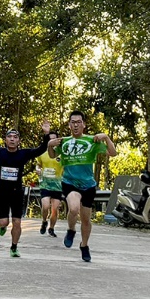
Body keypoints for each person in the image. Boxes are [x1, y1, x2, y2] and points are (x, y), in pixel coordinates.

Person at [0, 118, 52, 256]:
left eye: (15, 137)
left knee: (17, 222)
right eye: (9, 137)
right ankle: (1, 226)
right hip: (2, 192)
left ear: (19, 141)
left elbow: (41, 150)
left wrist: (46, 134)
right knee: (4, 222)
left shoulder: (23, 154)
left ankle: (14, 248)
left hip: (16, 193)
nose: (12, 139)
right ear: (5, 140)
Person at [47, 111, 117, 263]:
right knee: (73, 208)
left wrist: (105, 137)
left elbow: (113, 153)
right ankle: (71, 230)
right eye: (73, 122)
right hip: (69, 182)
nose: (76, 125)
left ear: (84, 124)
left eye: (79, 122)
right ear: (69, 125)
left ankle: (84, 245)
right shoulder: (64, 141)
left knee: (86, 220)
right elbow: (52, 155)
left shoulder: (93, 140)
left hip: (88, 185)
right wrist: (49, 145)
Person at [34, 142, 64, 235]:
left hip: (57, 185)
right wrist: (38, 169)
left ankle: (51, 228)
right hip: (45, 184)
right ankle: (44, 221)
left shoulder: (62, 154)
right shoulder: (42, 153)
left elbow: (67, 167)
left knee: (55, 209)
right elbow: (38, 164)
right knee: (46, 206)